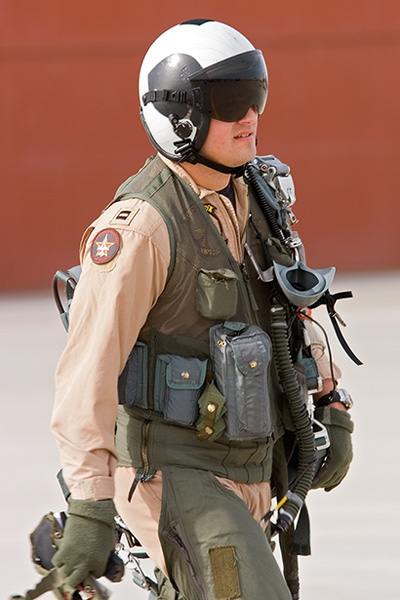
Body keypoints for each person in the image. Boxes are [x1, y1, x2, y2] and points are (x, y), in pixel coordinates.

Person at [51, 19, 354, 600]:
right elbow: (85, 376)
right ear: (180, 115)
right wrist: (90, 505)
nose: (251, 115)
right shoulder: (141, 229)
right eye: (231, 101)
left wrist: (329, 403)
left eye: (255, 93)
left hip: (253, 467)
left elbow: (295, 309)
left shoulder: (259, 195)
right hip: (174, 474)